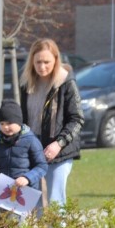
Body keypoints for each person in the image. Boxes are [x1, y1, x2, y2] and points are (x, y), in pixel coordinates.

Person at [19, 38, 84, 209]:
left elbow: (77, 118)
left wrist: (58, 144)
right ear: (32, 61)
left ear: (56, 60)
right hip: (32, 148)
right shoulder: (26, 84)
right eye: (38, 62)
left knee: (55, 202)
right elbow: (23, 119)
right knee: (34, 202)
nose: (42, 66)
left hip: (59, 150)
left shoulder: (66, 83)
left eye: (46, 62)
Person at [0, 100, 48, 211]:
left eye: (9, 123)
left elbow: (42, 166)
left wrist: (27, 178)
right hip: (4, 195)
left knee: (22, 226)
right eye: (2, 124)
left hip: (26, 195)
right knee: (5, 225)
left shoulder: (31, 140)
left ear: (18, 122)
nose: (5, 127)